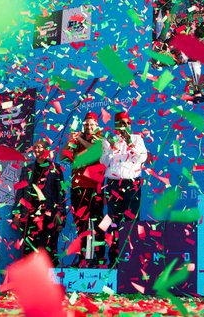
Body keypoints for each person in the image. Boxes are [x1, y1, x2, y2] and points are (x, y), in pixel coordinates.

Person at [100, 111, 147, 267]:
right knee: (113, 221)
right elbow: (103, 162)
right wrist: (112, 147)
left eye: (127, 124)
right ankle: (113, 260)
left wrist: (129, 143)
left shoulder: (137, 139)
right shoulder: (108, 140)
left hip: (131, 184)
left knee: (131, 221)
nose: (124, 127)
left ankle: (132, 260)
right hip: (113, 185)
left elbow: (141, 158)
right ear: (115, 126)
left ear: (130, 125)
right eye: (120, 124)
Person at [12, 138, 67, 266]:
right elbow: (20, 192)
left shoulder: (55, 168)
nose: (37, 150)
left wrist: (60, 214)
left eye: (41, 147)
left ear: (46, 149)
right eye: (35, 147)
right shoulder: (27, 169)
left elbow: (61, 194)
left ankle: (50, 281)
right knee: (29, 249)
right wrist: (16, 213)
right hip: (29, 215)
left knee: (47, 248)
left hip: (48, 215)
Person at [62, 112, 107, 267]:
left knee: (97, 224)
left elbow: (95, 153)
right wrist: (70, 141)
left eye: (91, 124)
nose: (88, 127)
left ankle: (99, 258)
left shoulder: (101, 139)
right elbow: (63, 156)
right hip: (77, 187)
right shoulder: (77, 139)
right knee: (81, 224)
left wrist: (80, 139)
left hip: (94, 188)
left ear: (97, 126)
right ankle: (83, 259)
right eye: (86, 124)